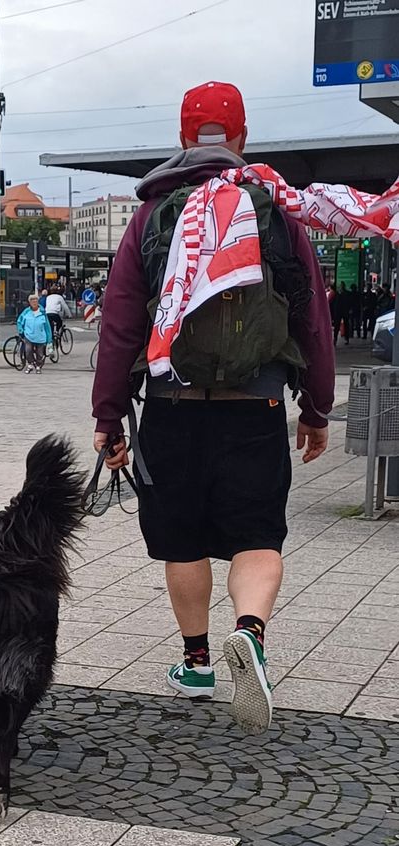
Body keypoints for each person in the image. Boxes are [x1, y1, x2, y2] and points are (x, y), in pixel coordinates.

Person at [91, 80, 334, 736]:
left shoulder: (151, 215)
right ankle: (249, 635)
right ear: (241, 139)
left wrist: (108, 415)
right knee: (257, 537)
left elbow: (118, 325)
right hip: (255, 406)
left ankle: (196, 663)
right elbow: (311, 315)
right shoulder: (273, 211)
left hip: (171, 407)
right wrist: (316, 407)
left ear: (181, 137)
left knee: (183, 540)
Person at [17, 293, 52, 373]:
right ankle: (30, 364)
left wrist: (49, 338)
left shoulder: (42, 312)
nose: (34, 302)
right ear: (29, 302)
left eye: (35, 300)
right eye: (32, 300)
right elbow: (19, 321)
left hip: (40, 336)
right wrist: (21, 331)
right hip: (28, 335)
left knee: (40, 353)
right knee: (28, 350)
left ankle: (38, 366)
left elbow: (47, 326)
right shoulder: (26, 312)